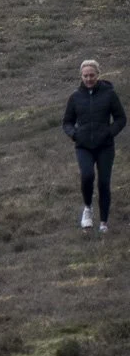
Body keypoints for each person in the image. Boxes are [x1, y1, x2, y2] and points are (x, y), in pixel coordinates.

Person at [64, 59, 126, 233]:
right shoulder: (75, 97)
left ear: (98, 75)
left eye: (92, 75)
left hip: (105, 146)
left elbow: (121, 118)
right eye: (85, 76)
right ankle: (88, 208)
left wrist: (109, 132)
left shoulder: (109, 94)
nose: (89, 79)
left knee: (104, 183)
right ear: (81, 76)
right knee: (87, 176)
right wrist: (74, 134)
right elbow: (67, 122)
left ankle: (104, 223)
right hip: (83, 146)